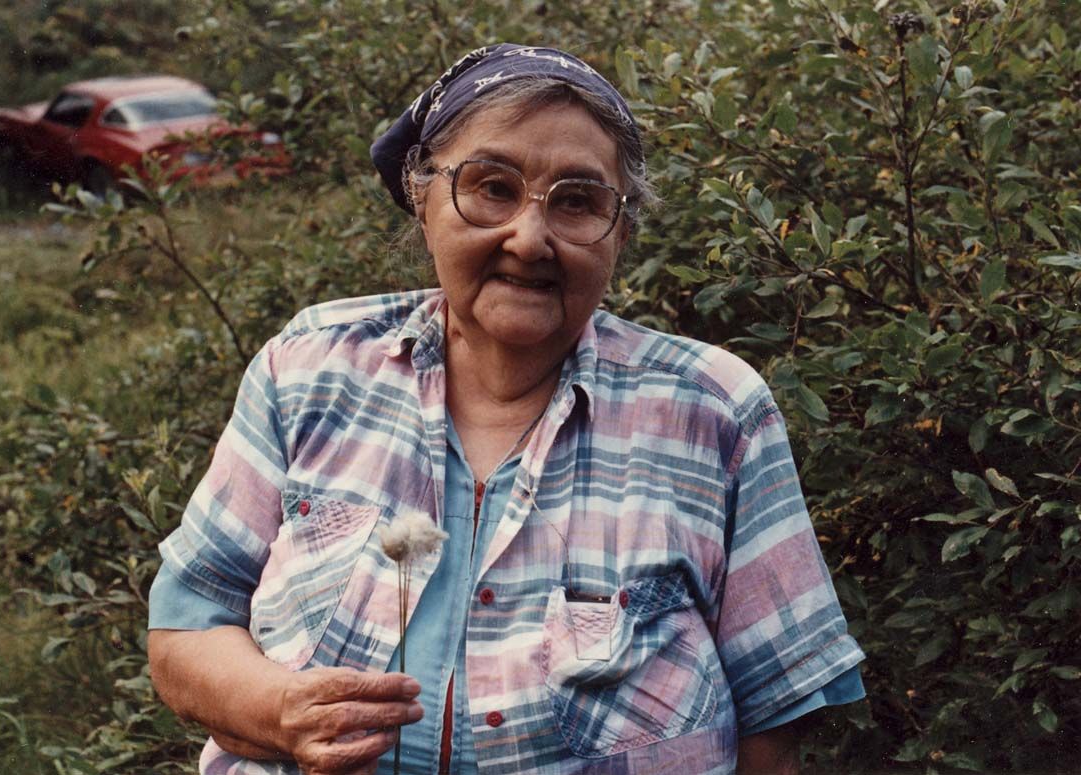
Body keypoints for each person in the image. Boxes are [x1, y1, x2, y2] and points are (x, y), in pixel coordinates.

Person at [147, 43, 866, 775]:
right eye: (491, 187)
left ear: (619, 233)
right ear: (422, 198)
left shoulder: (713, 410)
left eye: (578, 201)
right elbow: (184, 632)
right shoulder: (309, 367)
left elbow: (775, 722)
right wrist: (279, 711)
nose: (529, 238)